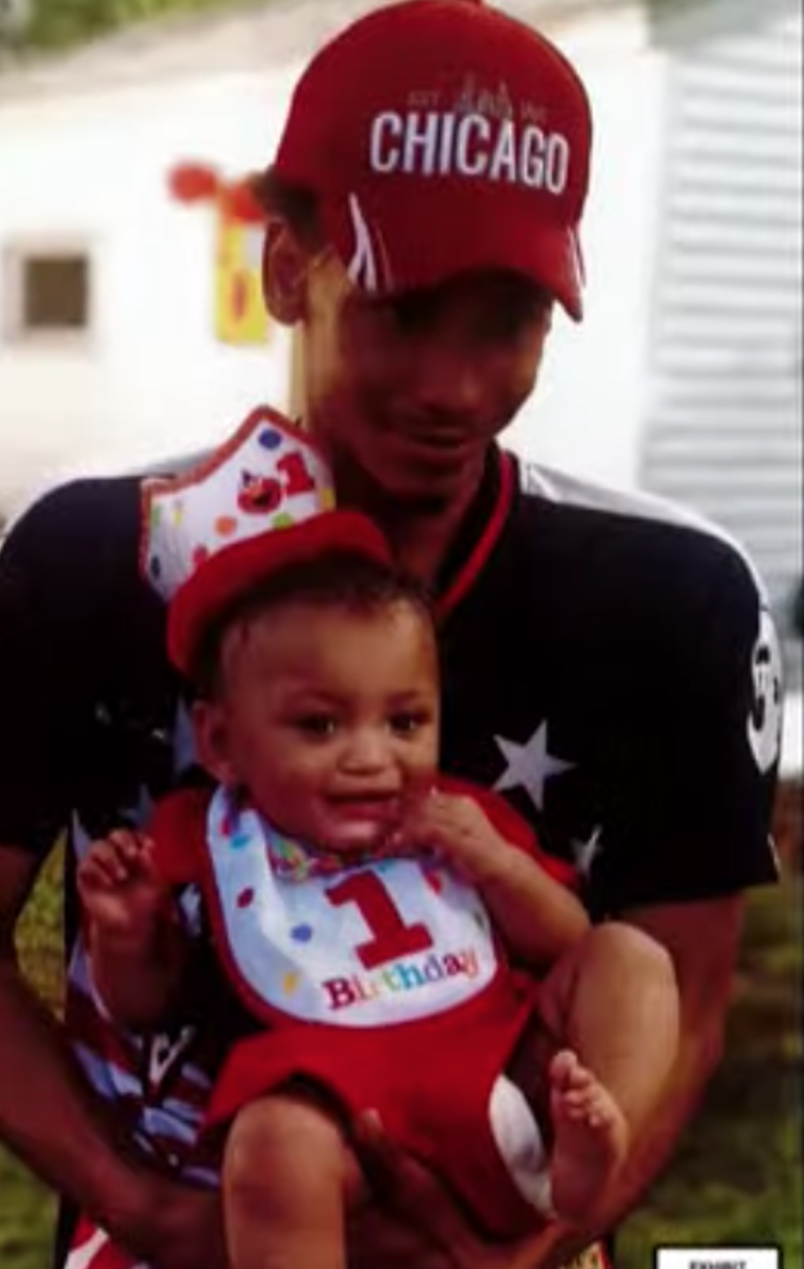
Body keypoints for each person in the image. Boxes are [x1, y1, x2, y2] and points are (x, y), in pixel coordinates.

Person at [0, 2, 783, 1267]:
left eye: (510, 321)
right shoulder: (93, 559)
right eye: (405, 312)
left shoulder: (673, 600)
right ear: (285, 266)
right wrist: (150, 1211)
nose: (455, 389)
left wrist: (511, 1259)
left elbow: (680, 994)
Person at [75, 451, 680, 1269]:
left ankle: (590, 1146)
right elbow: (148, 1006)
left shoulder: (460, 817)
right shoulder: (206, 839)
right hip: (338, 1107)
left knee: (630, 959)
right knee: (272, 1143)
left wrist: (497, 864)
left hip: (508, 1074)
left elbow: (565, 941)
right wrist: (125, 933)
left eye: (404, 722)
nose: (373, 757)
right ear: (220, 741)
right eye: (321, 726)